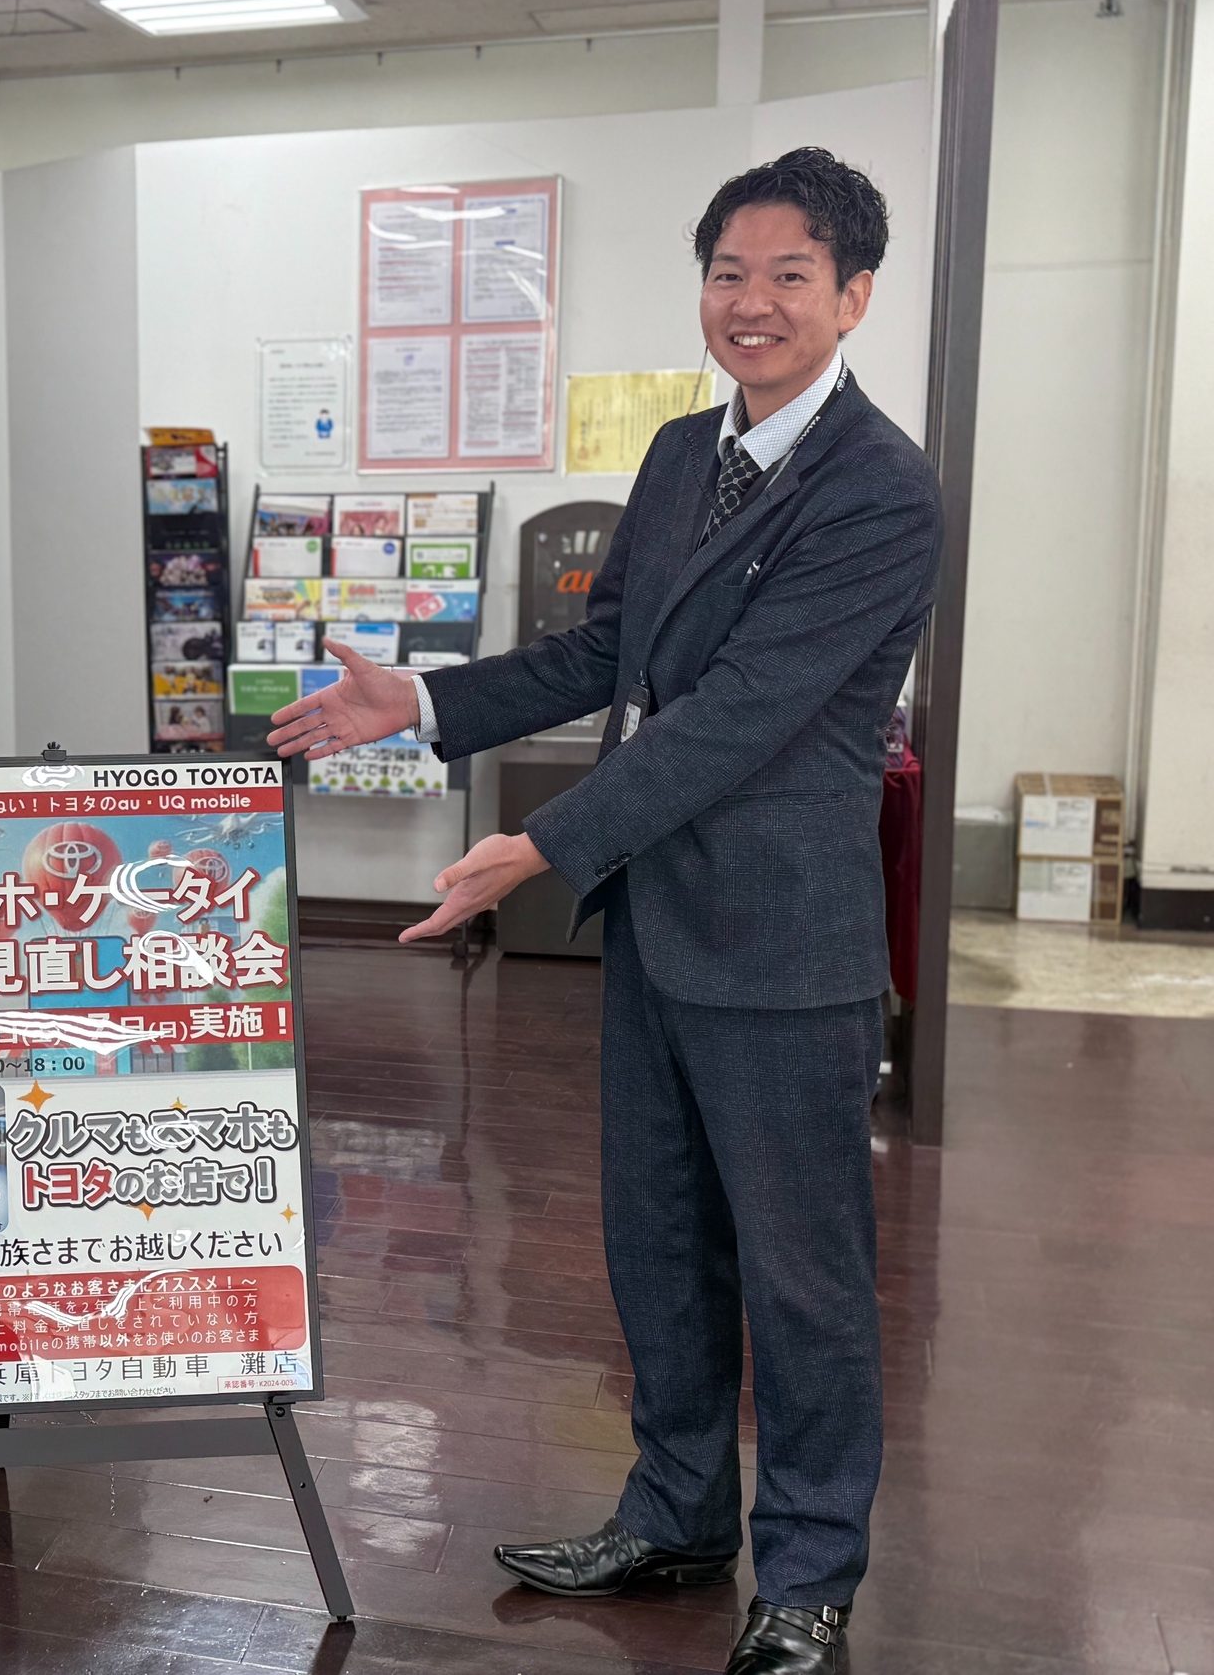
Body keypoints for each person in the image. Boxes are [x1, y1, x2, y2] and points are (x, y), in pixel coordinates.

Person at [267, 148, 940, 1675]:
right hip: (657, 927)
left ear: (852, 296)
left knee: (805, 1277)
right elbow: (607, 655)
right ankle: (678, 1513)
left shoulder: (880, 488)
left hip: (786, 944)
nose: (751, 302)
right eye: (728, 273)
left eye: (788, 275)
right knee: (659, 1243)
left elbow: (742, 715)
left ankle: (810, 1572)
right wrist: (421, 700)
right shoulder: (681, 454)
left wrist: (541, 844)